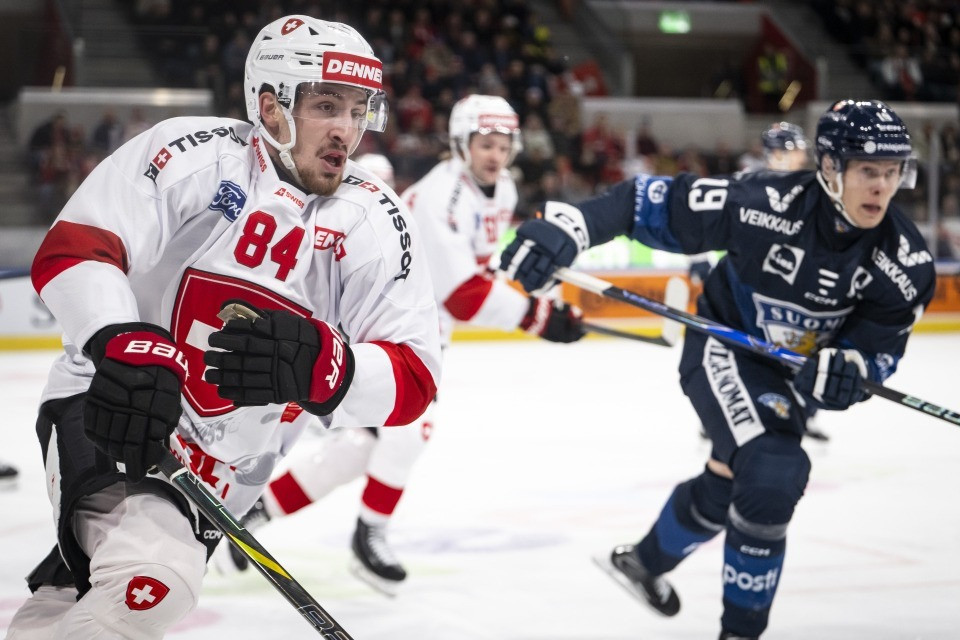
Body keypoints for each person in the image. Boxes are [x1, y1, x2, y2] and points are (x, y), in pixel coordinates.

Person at [6, 14, 442, 639]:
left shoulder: (375, 217)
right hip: (116, 407)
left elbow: (417, 380)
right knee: (156, 580)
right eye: (326, 105)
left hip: (223, 476)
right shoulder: (196, 154)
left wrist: (326, 366)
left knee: (80, 599)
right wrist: (121, 343)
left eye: (358, 108)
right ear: (270, 106)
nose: (347, 129)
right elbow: (75, 247)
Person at [500, 99, 934, 639]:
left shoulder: (906, 264)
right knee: (773, 472)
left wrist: (852, 369)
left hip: (788, 377)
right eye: (869, 171)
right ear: (829, 167)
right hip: (725, 347)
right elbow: (647, 201)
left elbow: (878, 350)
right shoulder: (765, 202)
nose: (882, 187)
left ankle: (644, 562)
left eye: (892, 173)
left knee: (733, 483)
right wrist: (570, 225)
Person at [211, 94, 585, 595]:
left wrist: (539, 297)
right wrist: (539, 317)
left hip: (416, 320)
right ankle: (370, 538)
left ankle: (258, 512)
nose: (495, 155)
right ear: (461, 143)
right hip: (373, 314)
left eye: (503, 145)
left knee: (365, 446)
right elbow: (463, 295)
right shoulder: (440, 195)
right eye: (485, 143)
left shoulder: (501, 192)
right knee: (408, 428)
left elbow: (473, 273)